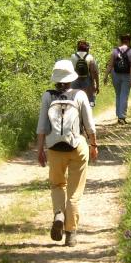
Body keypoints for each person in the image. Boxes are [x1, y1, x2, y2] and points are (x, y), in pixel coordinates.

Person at [36, 60, 98, 247]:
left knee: (57, 185)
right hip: (77, 147)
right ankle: (71, 233)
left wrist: (40, 149)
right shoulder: (79, 95)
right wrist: (94, 145)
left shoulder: (48, 96)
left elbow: (42, 126)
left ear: (56, 79)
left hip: (55, 149)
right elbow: (89, 125)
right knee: (74, 192)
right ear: (72, 78)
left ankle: (58, 214)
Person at [104, 34, 131, 124]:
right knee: (124, 95)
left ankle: (118, 115)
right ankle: (122, 117)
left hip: (115, 75)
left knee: (118, 94)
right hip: (126, 75)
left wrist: (106, 76)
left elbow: (110, 65)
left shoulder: (114, 51)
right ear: (129, 41)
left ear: (121, 41)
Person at [71, 40, 100, 107]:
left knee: (74, 100)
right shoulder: (90, 57)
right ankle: (89, 108)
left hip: (75, 80)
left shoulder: (73, 56)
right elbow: (94, 72)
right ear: (87, 48)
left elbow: (70, 70)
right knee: (89, 100)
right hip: (86, 81)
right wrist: (96, 85)